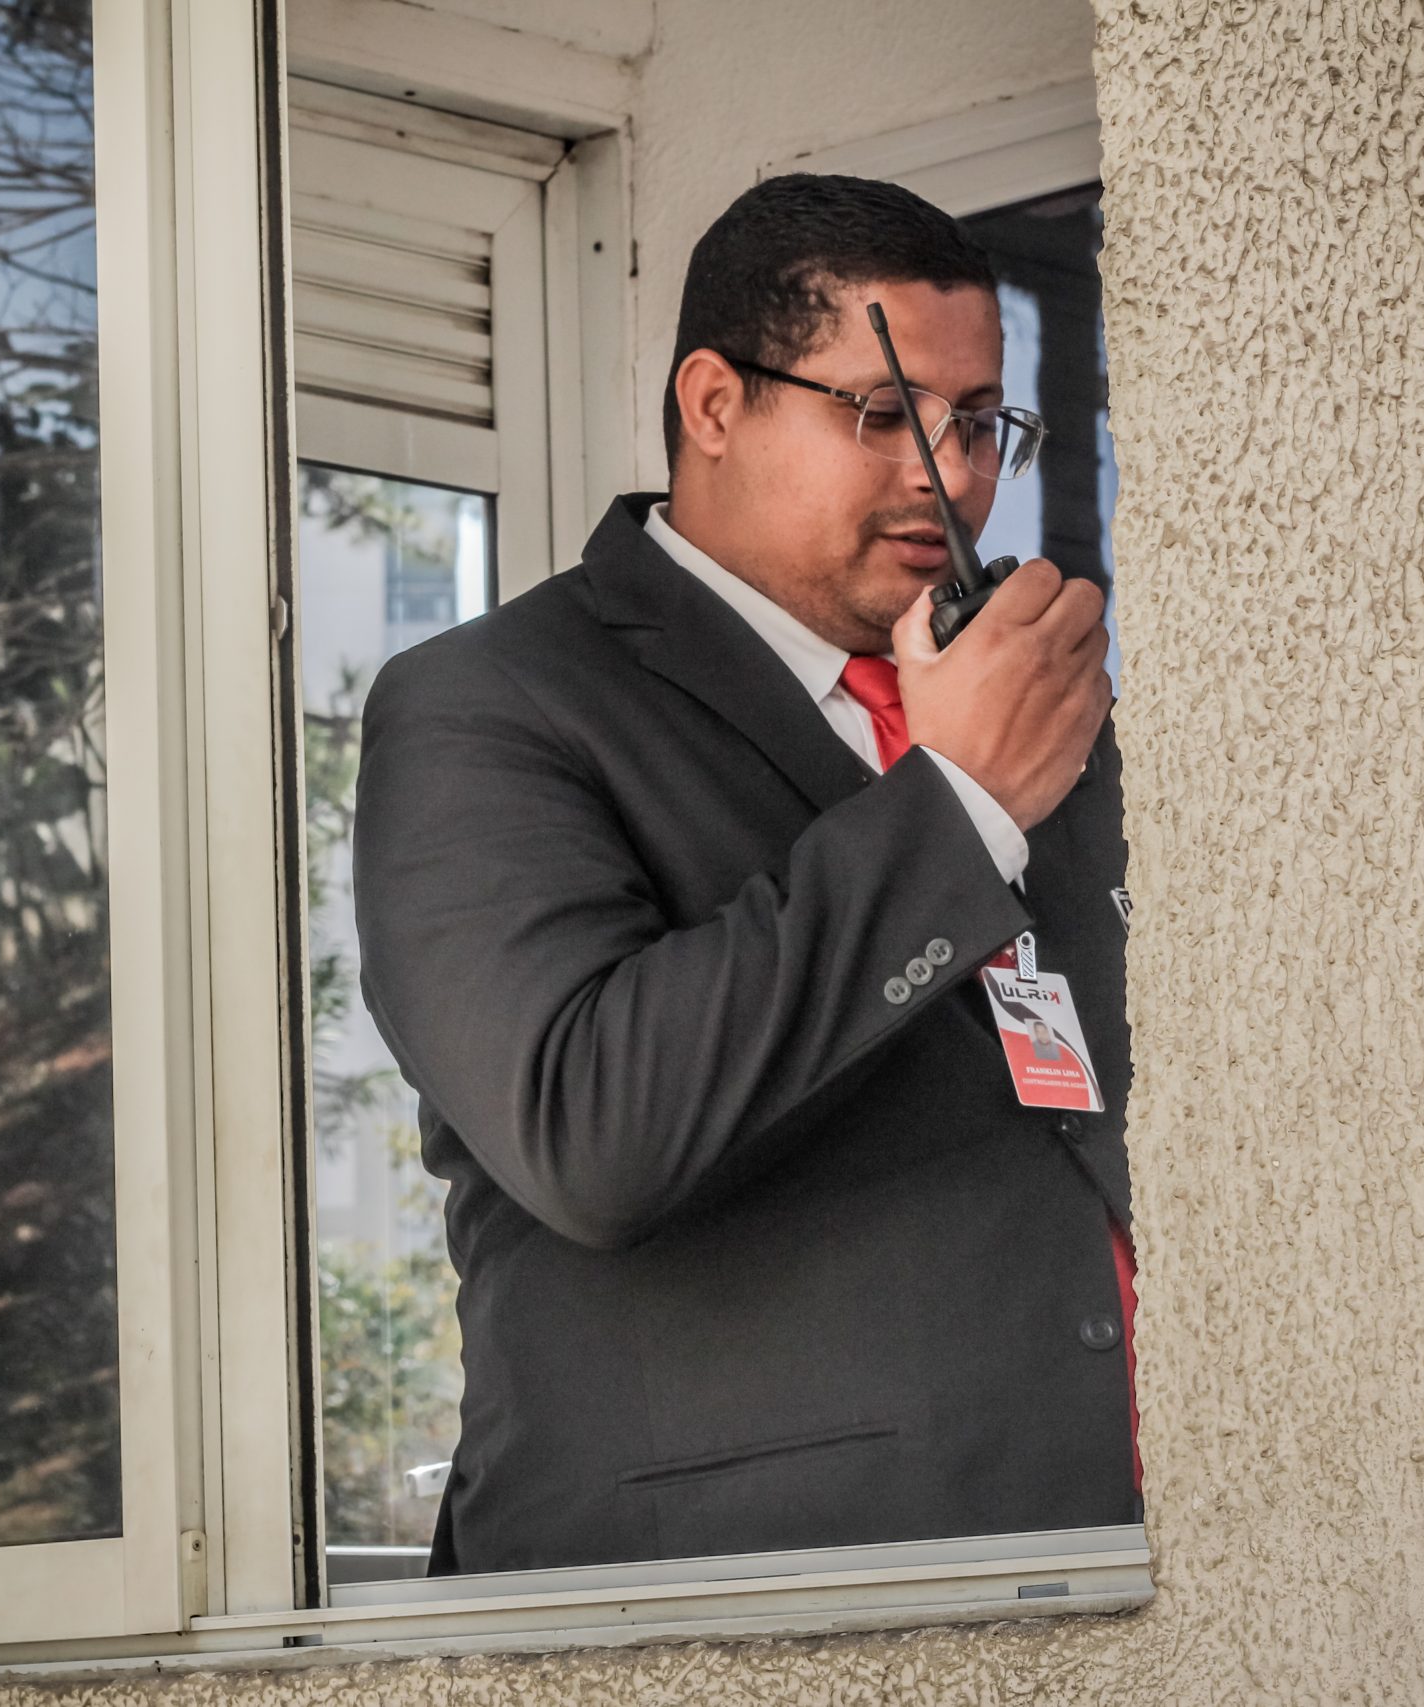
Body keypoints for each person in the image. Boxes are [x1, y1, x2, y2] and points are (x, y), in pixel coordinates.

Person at [353, 173, 1132, 1576]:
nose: (950, 475)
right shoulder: (489, 703)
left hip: (1112, 1552)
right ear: (714, 405)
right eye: (886, 413)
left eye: (979, 423)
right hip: (735, 1587)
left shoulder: (1020, 704)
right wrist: (959, 808)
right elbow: (589, 1133)